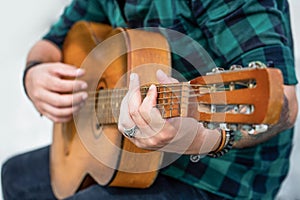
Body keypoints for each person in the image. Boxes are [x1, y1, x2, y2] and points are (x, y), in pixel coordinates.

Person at [1, 0, 298, 199]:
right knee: (14, 176)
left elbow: (283, 103)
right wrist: (33, 73)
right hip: (128, 152)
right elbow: (52, 42)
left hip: (220, 177)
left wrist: (197, 140)